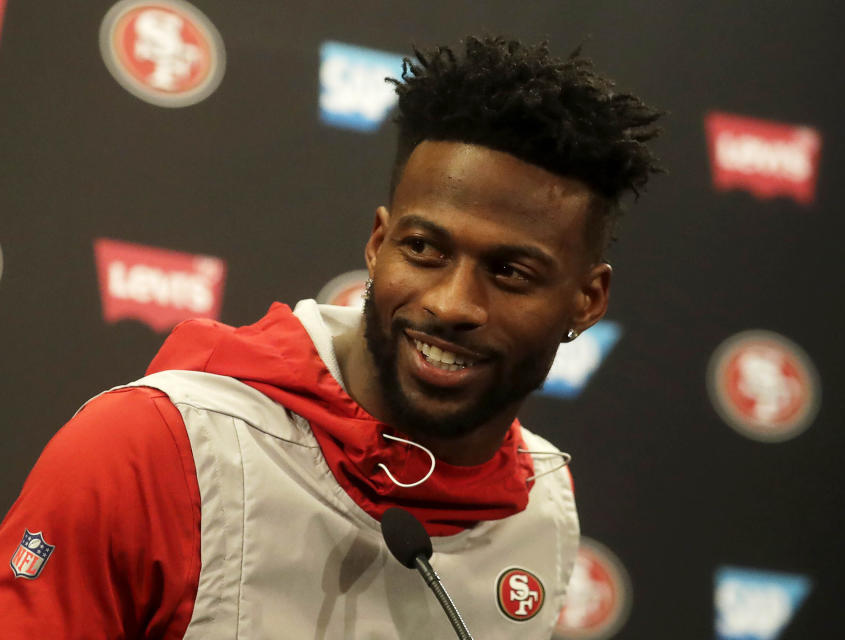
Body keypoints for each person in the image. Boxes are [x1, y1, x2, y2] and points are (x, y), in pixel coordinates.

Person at [0, 35, 662, 639]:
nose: (452, 304)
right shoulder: (151, 447)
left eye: (511, 272)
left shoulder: (544, 506)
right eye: (426, 248)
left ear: (588, 299)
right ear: (378, 245)